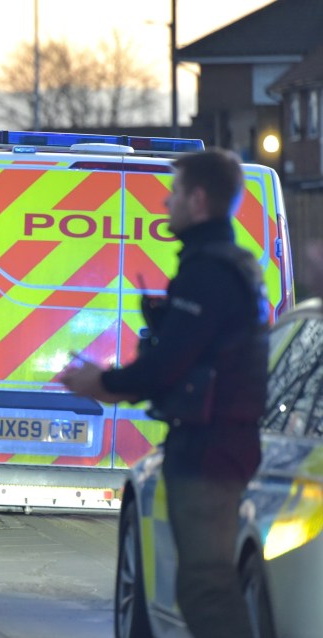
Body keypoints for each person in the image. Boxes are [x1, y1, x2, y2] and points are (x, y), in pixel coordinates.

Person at [59, 149, 268, 638]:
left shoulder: (209, 272)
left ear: (198, 200)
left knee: (205, 587)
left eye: (174, 193)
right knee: (203, 585)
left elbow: (167, 365)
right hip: (215, 443)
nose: (164, 203)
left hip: (209, 448)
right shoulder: (222, 265)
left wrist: (103, 384)